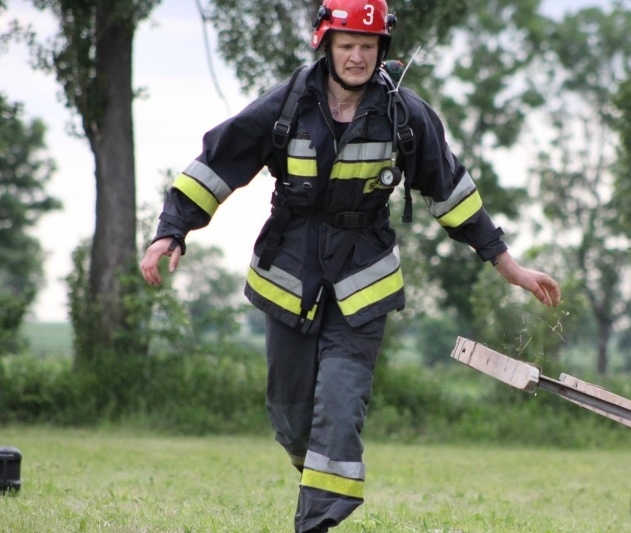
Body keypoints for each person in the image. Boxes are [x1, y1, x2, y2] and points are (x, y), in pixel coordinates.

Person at [140, 0, 561, 531]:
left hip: (364, 282)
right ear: (327, 45)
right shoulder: (284, 104)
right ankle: (315, 480)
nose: (358, 57)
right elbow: (217, 164)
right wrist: (170, 232)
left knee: (339, 407)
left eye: (368, 46)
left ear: (382, 50)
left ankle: (316, 521)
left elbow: (453, 194)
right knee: (292, 420)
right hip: (287, 272)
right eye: (347, 46)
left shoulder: (406, 115)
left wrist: (511, 267)